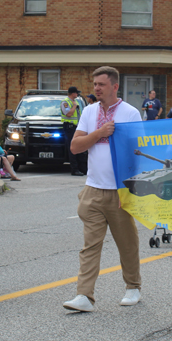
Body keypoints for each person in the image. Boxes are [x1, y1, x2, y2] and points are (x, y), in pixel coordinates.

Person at [63, 66, 142, 312]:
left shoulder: (130, 113)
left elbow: (139, 154)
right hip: (93, 189)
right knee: (90, 245)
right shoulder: (88, 111)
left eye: (102, 84)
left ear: (115, 86)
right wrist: (99, 132)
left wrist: (130, 190)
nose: (96, 88)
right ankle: (84, 295)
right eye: (95, 84)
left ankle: (133, 287)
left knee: (126, 243)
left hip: (120, 191)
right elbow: (75, 146)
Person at [61, 86, 87, 176]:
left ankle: (82, 168)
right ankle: (74, 169)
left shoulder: (76, 102)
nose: (77, 94)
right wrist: (74, 106)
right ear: (73, 93)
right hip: (69, 127)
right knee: (72, 148)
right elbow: (68, 114)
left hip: (76, 127)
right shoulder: (66, 102)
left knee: (80, 147)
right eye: (76, 93)